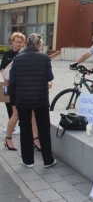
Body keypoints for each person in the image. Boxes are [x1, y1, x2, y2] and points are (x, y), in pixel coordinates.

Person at [10, 33, 56, 167]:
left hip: (23, 100)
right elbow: (50, 76)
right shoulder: (44, 58)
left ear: (26, 44)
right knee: (43, 129)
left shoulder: (17, 59)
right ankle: (48, 160)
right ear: (38, 45)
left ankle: (27, 161)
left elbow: (12, 80)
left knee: (25, 128)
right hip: (40, 99)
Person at [1, 32, 25, 136]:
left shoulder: (23, 55)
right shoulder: (7, 54)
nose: (18, 44)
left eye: (20, 42)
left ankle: (20, 125)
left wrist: (11, 79)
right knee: (8, 104)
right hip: (5, 84)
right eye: (16, 42)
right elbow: (2, 67)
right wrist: (5, 77)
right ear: (12, 42)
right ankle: (12, 125)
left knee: (17, 105)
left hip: (17, 85)